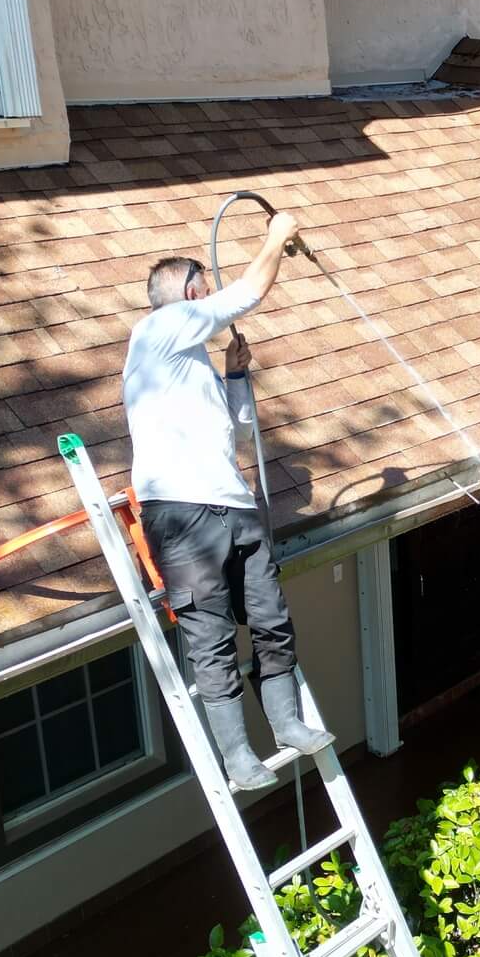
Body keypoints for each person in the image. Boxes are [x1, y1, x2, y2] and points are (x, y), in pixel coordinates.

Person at [122, 210, 325, 789]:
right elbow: (247, 293)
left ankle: (287, 723)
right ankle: (238, 758)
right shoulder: (158, 330)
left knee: (270, 620)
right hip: (182, 515)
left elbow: (234, 432)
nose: (209, 300)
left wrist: (234, 376)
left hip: (233, 508)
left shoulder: (189, 366)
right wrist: (276, 236)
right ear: (190, 294)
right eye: (204, 291)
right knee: (210, 637)